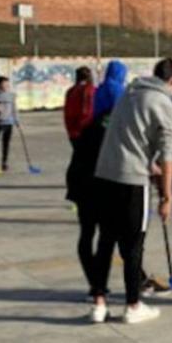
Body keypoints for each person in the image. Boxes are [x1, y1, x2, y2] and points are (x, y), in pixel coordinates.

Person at [90, 58, 172, 324]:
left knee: (105, 241)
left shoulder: (128, 93)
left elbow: (128, 136)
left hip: (106, 174)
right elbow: (168, 155)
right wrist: (166, 197)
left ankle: (98, 302)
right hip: (132, 181)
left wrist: (148, 163)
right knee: (133, 246)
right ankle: (133, 304)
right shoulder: (164, 104)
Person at [66, 60, 127, 303]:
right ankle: (101, 285)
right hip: (98, 183)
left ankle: (95, 283)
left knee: (88, 233)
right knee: (109, 235)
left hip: (80, 179)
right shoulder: (113, 130)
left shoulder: (88, 122)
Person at [63, 66, 96, 144]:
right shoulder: (91, 90)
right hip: (87, 131)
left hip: (72, 131)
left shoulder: (70, 91)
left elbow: (67, 111)